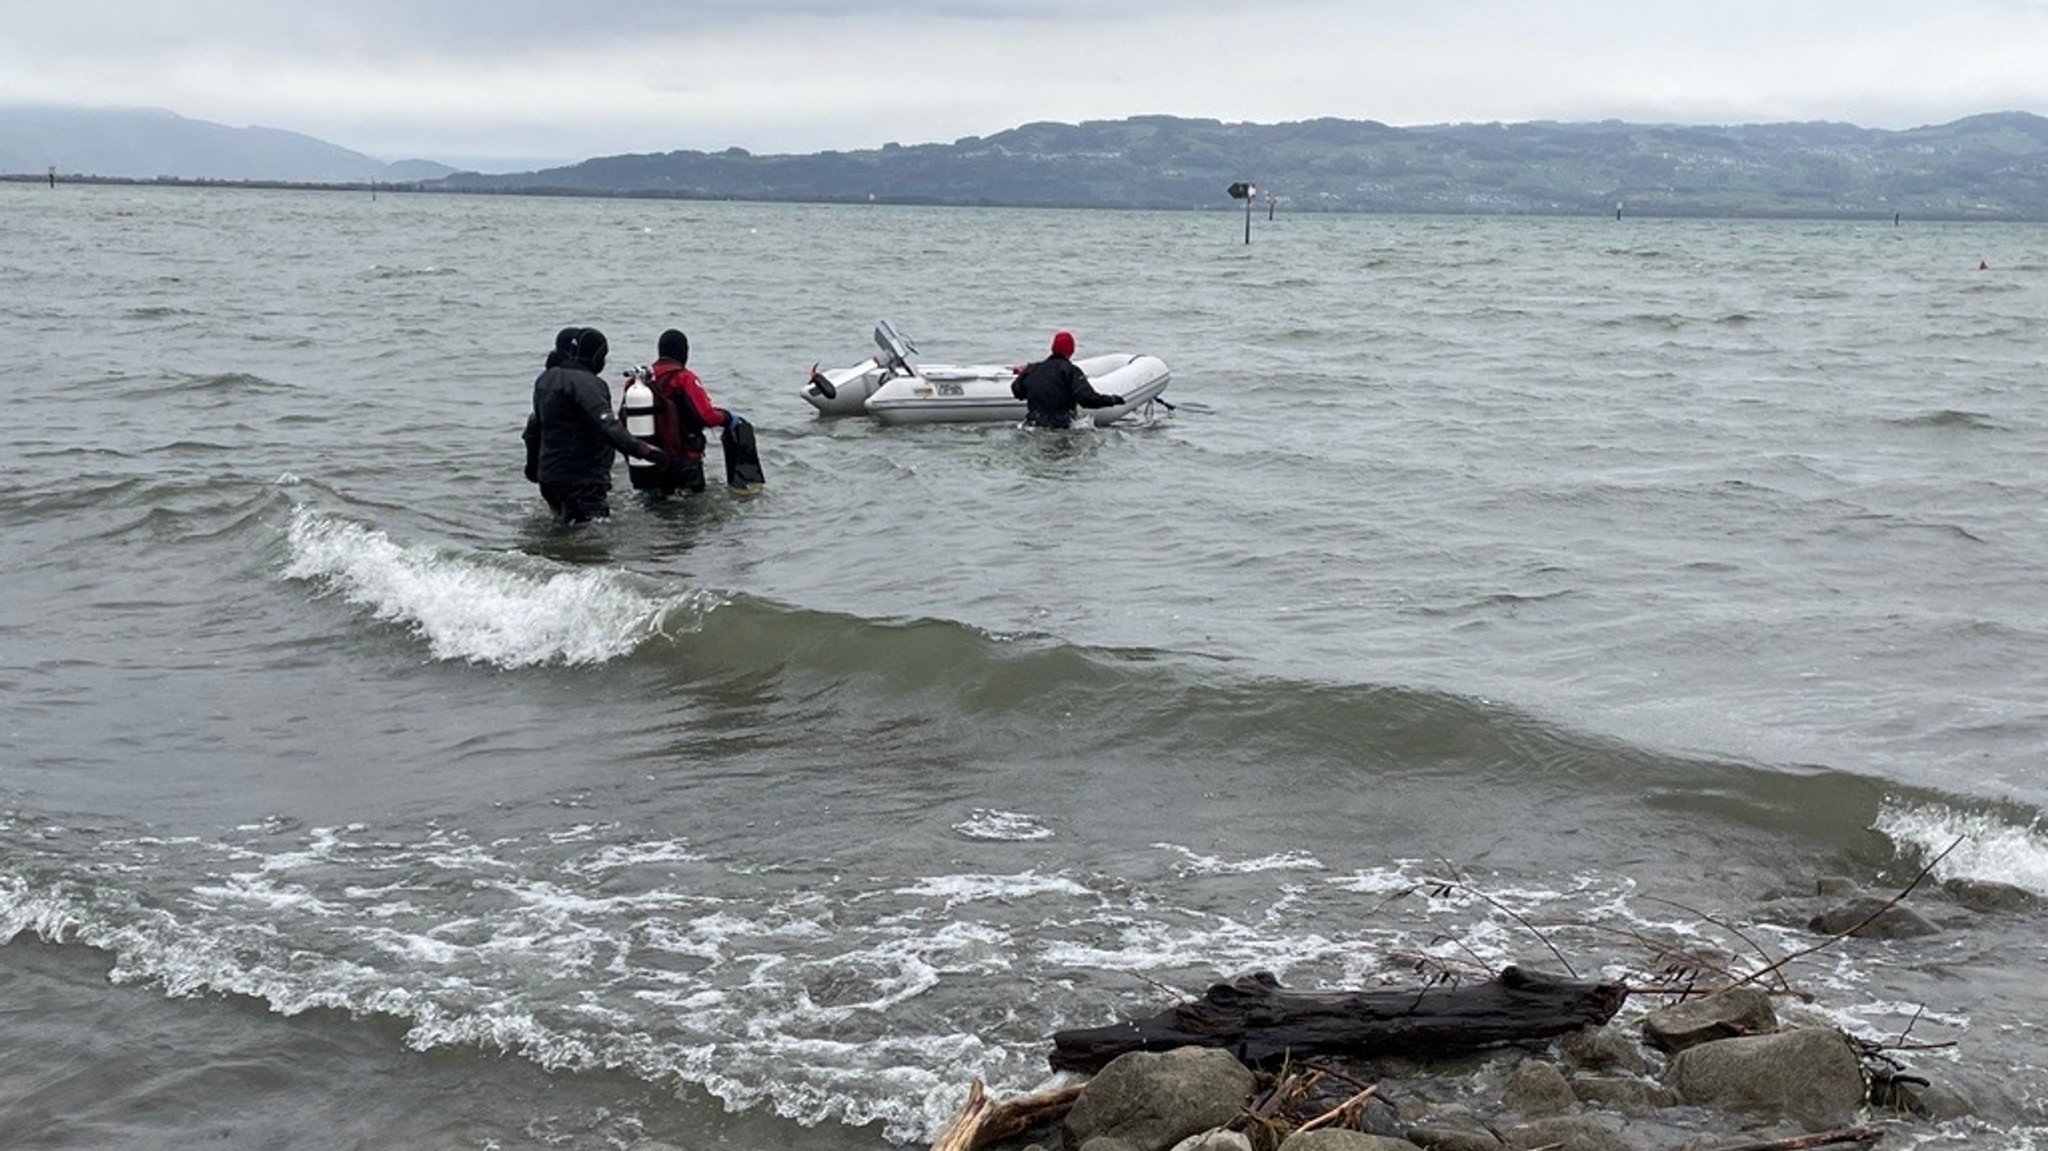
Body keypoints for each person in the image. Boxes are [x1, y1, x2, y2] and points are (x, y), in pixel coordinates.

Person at [523, 326, 662, 523]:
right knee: (590, 541)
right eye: (603, 356)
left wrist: (532, 467)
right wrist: (647, 451)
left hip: (549, 479)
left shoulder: (546, 379)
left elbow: (534, 426)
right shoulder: (589, 385)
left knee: (564, 531)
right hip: (581, 482)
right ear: (595, 357)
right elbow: (608, 427)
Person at [635, 328, 743, 495]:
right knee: (692, 512)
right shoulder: (684, 378)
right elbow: (706, 415)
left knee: (656, 506)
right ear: (684, 352)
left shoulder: (641, 380)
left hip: (650, 461)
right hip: (684, 459)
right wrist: (727, 418)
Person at [1010, 330, 1125, 429]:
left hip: (1032, 425)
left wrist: (1024, 373)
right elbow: (1087, 399)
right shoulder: (1070, 371)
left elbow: (1017, 391)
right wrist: (1113, 400)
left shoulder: (1033, 369)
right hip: (1060, 427)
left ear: (1052, 348)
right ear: (1072, 351)